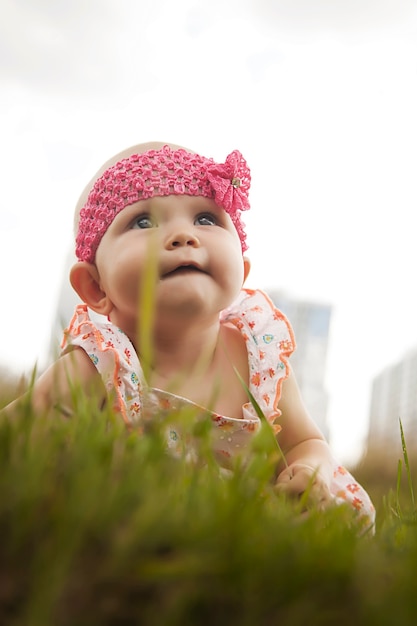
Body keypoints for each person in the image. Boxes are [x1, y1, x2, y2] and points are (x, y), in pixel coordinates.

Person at [2, 141, 375, 527]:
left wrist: (310, 470)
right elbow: (15, 437)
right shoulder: (100, 365)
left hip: (261, 528)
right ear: (95, 286)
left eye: (206, 219)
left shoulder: (257, 358)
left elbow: (305, 442)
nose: (183, 236)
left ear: (242, 272)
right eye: (143, 222)